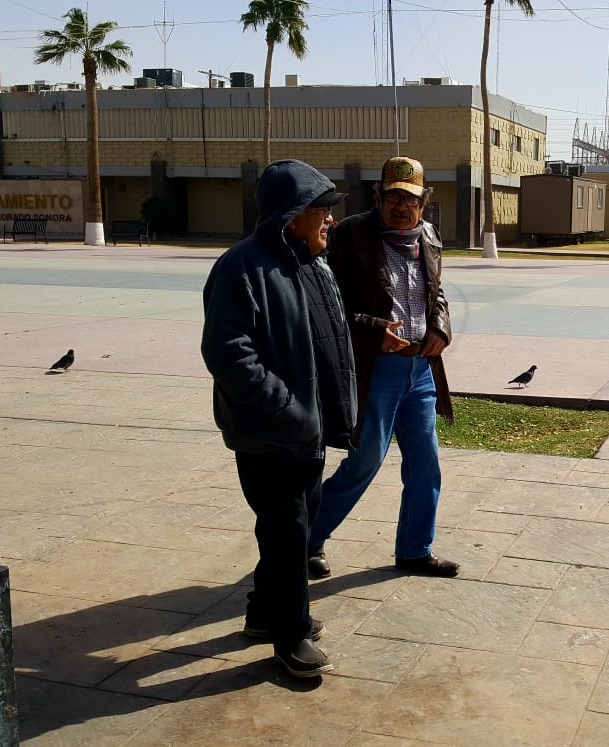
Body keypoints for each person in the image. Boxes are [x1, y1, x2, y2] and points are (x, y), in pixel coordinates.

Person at [200, 160, 355, 678]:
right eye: (322, 211)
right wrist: (283, 407)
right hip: (271, 434)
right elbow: (228, 353)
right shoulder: (242, 267)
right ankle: (291, 636)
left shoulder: (310, 263)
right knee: (288, 536)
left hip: (308, 431)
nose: (331, 220)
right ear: (293, 214)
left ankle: (265, 614)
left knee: (291, 526)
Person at [307, 156, 460, 579]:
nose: (401, 206)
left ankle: (415, 549)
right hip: (375, 369)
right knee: (366, 460)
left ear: (424, 202)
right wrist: (374, 330)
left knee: (425, 464)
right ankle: (307, 539)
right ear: (378, 196)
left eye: (410, 199)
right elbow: (327, 304)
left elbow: (436, 292)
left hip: (421, 369)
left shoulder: (429, 235)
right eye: (393, 197)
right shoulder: (350, 234)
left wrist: (440, 327)